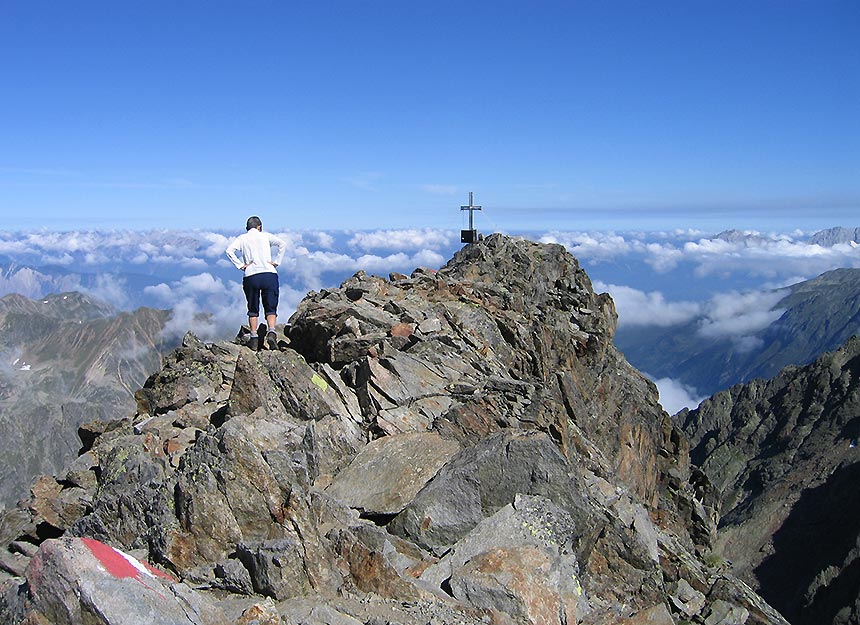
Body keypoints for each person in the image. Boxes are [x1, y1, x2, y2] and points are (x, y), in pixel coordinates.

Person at [226, 216, 287, 349]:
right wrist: (276, 261)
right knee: (271, 307)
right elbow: (282, 244)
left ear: (247, 227)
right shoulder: (265, 236)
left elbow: (229, 251)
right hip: (269, 274)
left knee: (253, 308)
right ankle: (271, 332)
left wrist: (241, 265)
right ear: (259, 226)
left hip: (251, 275)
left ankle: (254, 338)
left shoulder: (242, 238)